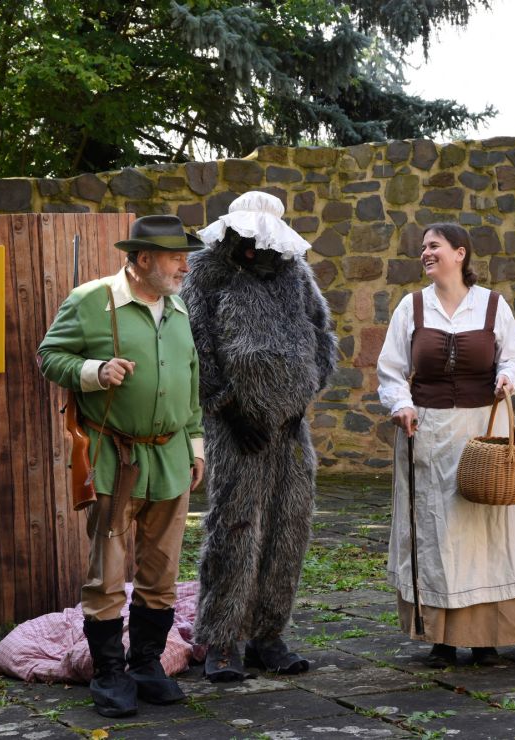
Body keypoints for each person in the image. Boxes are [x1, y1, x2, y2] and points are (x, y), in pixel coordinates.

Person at [37, 214, 206, 717]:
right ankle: (110, 672)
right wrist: (94, 371)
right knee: (108, 573)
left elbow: (191, 382)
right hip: (116, 460)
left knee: (162, 572)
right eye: (176, 256)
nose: (185, 265)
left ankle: (146, 665)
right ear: (143, 258)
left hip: (172, 459)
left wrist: (195, 447)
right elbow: (50, 356)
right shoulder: (92, 300)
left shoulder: (178, 308)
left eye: (186, 255)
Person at [180, 191, 337, 682]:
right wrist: (227, 405)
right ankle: (222, 640)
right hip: (234, 430)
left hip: (290, 431)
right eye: (243, 240)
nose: (251, 250)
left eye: (259, 241)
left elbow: (322, 337)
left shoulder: (295, 275)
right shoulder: (208, 272)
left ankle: (269, 634)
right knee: (235, 529)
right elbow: (194, 344)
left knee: (289, 527)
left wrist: (301, 402)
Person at [377, 222, 515, 668]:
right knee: (437, 533)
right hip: (428, 432)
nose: (425, 253)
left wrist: (508, 376)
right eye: (423, 248)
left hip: (484, 432)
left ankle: (487, 637)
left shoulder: (492, 305)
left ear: (460, 253)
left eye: (434, 246)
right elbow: (391, 371)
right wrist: (401, 405)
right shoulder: (411, 308)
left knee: (487, 532)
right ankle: (442, 637)